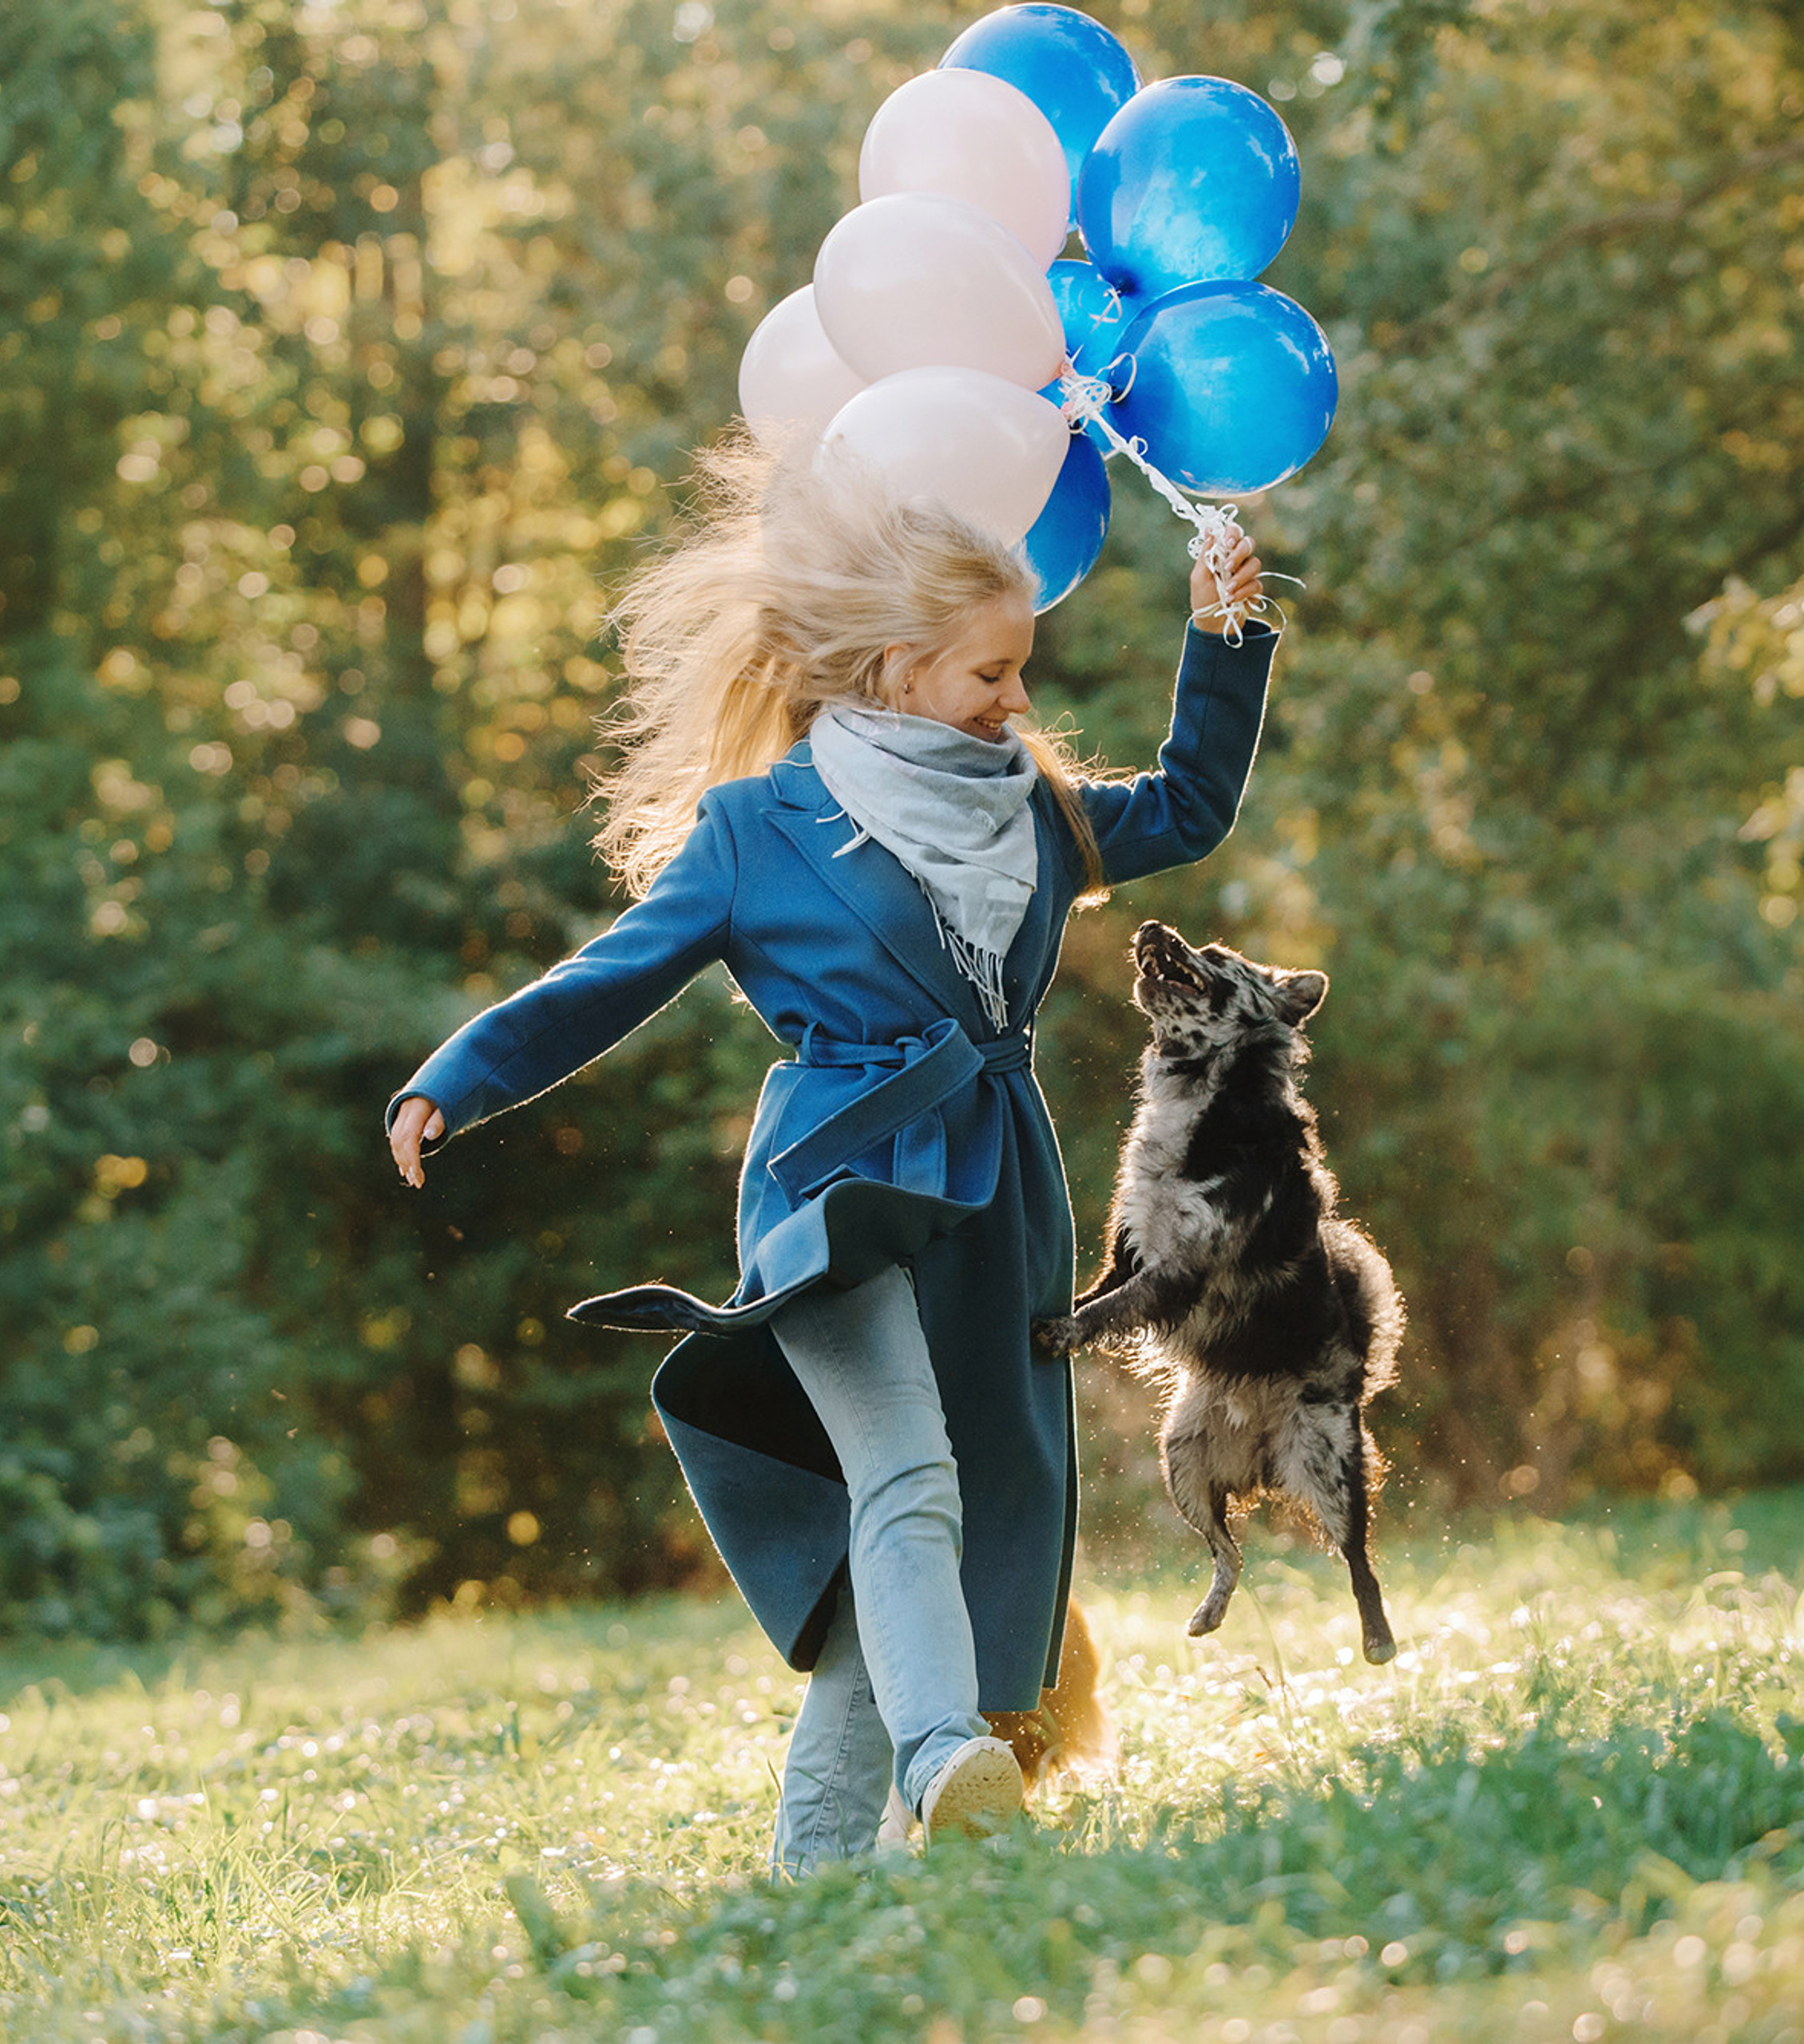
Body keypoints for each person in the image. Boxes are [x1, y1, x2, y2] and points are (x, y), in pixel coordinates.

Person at [386, 436, 1275, 1873]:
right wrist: (462, 1075)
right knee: (906, 1478)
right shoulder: (758, 831)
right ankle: (941, 1756)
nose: (1018, 700)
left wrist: (1223, 637)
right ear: (895, 670)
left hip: (996, 1194)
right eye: (991, 672)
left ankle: (812, 1881)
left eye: (1019, 671)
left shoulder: (1034, 810)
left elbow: (1187, 804)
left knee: (933, 1521)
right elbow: (612, 976)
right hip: (835, 1189)